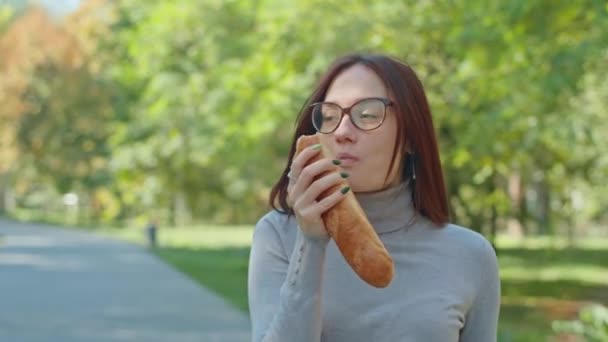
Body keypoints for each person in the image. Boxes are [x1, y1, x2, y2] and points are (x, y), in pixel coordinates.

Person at [247, 53, 500, 342]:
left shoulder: (470, 254)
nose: (342, 132)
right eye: (329, 116)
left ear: (410, 137)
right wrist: (311, 242)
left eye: (366, 115)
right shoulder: (278, 235)